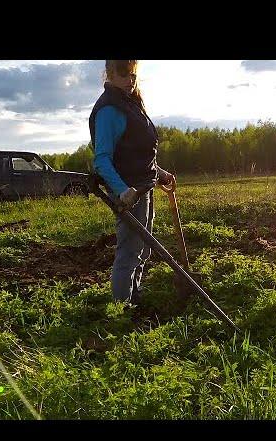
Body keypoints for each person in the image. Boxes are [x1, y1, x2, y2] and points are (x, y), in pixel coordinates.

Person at [89, 60, 174, 305]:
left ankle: (134, 296)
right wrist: (123, 191)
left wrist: (160, 173)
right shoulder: (108, 109)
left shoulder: (131, 104)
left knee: (144, 249)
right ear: (110, 73)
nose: (130, 79)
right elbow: (102, 160)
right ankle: (120, 310)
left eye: (133, 74)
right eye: (124, 73)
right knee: (129, 252)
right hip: (128, 193)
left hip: (143, 187)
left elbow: (139, 155)